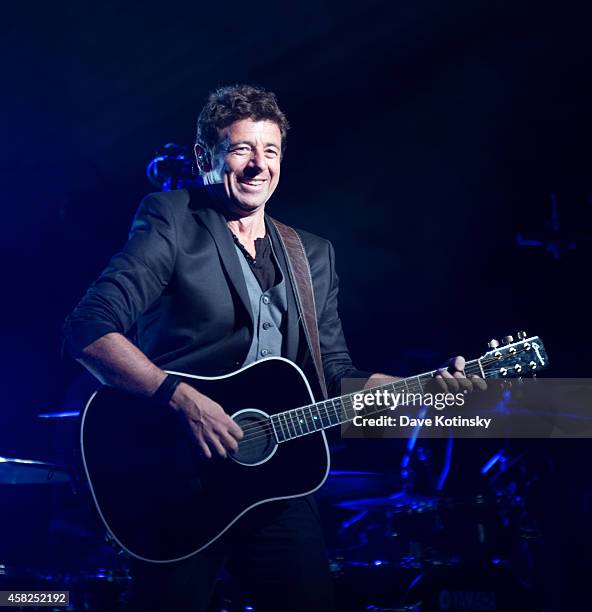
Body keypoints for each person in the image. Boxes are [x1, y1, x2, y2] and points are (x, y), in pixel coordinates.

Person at [63, 84, 484, 612]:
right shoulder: (171, 219)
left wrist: (423, 390)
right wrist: (182, 399)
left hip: (276, 485)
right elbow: (89, 328)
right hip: (173, 482)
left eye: (270, 151)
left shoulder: (312, 254)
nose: (257, 166)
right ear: (205, 158)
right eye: (240, 149)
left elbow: (333, 375)